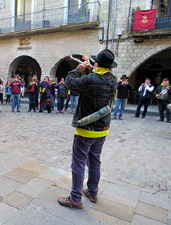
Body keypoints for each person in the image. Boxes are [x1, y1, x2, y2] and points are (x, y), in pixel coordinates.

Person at [58, 49, 117, 209]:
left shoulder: (91, 79)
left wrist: (79, 69)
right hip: (103, 128)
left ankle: (75, 198)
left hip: (86, 128)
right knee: (95, 161)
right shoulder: (113, 79)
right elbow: (100, 77)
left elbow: (70, 83)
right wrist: (91, 66)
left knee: (78, 163)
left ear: (97, 64)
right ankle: (93, 192)